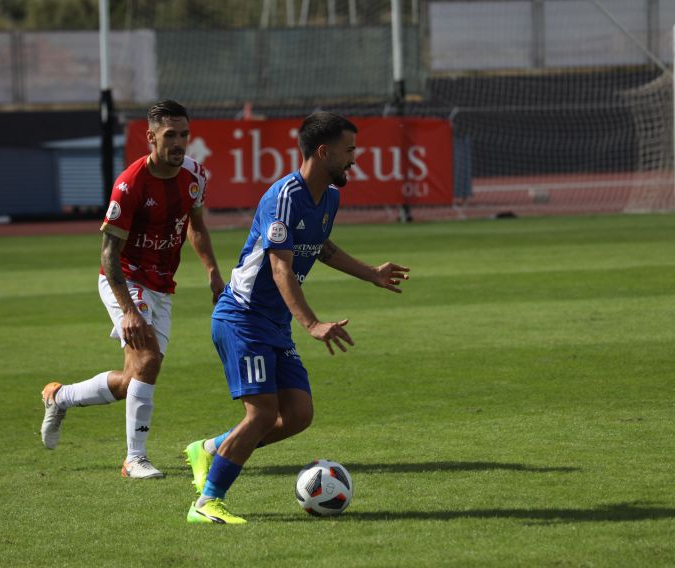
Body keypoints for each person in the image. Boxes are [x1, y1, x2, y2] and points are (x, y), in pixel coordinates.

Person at [183, 112, 410, 523]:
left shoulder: (330, 197)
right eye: (348, 151)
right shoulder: (284, 196)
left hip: (272, 323)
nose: (354, 160)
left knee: (299, 414)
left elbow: (323, 247)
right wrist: (312, 324)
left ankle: (212, 448)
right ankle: (206, 503)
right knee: (263, 413)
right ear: (323, 152)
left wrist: (371, 273)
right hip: (243, 317)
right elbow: (280, 269)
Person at [40, 100, 224, 479]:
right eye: (169, 135)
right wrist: (128, 310)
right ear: (151, 137)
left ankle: (59, 397)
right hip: (124, 279)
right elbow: (109, 253)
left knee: (132, 380)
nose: (179, 143)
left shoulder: (196, 177)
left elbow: (197, 226)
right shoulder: (130, 184)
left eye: (184, 134)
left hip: (162, 285)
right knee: (150, 360)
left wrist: (212, 272)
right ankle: (134, 458)